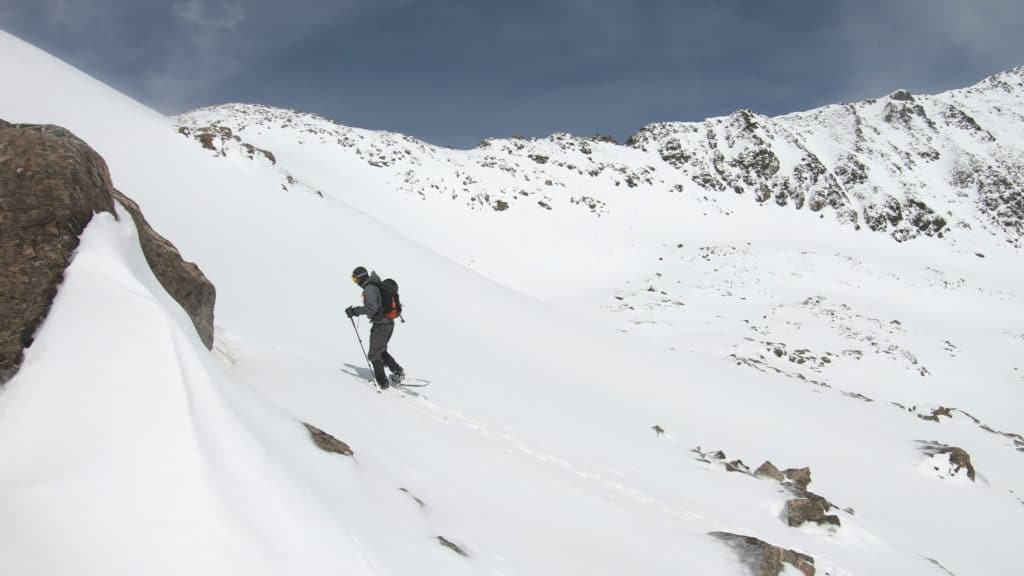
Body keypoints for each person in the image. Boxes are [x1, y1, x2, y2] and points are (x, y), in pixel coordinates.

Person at [346, 266, 404, 389]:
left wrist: (354, 311)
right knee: (380, 350)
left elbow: (371, 309)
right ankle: (397, 371)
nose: (355, 282)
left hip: (381, 325)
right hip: (388, 323)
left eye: (355, 279)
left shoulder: (370, 289)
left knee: (373, 355)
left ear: (361, 277)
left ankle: (382, 383)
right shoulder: (375, 285)